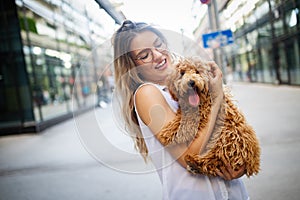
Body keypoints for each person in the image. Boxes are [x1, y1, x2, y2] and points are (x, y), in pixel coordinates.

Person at [112, 20, 249, 200]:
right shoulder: (147, 93)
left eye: (158, 45)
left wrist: (240, 164)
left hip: (234, 194)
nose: (157, 55)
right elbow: (189, 157)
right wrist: (216, 98)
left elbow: (228, 130)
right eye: (144, 55)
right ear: (132, 66)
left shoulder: (189, 82)